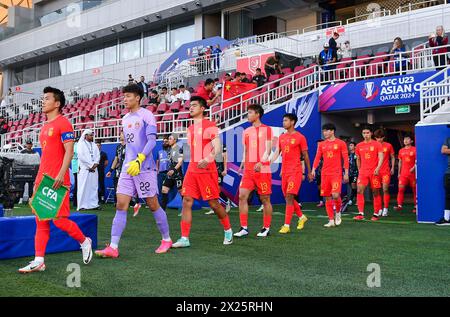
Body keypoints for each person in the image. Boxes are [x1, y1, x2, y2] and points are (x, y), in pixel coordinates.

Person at [18, 86, 92, 273]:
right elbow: (45, 158)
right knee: (41, 220)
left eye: (47, 98)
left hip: (59, 181)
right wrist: (37, 181)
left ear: (57, 103)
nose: (43, 101)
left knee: (59, 220)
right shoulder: (44, 127)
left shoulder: (63, 123)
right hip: (43, 180)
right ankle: (39, 260)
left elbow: (69, 151)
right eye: (43, 98)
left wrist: (60, 174)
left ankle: (84, 241)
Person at [95, 84, 172, 257]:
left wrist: (140, 159)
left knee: (153, 204)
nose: (125, 99)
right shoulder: (125, 118)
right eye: (124, 97)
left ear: (137, 97)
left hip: (144, 167)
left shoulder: (147, 115)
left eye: (128, 96)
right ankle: (113, 247)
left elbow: (152, 141)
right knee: (121, 205)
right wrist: (130, 163)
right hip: (128, 168)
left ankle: (166, 239)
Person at [171, 96, 233, 248]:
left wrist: (209, 157)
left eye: (194, 105)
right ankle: (184, 238)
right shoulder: (190, 128)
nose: (190, 108)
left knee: (213, 204)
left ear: (202, 108)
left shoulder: (210, 125)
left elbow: (217, 147)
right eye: (190, 105)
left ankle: (228, 230)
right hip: (192, 170)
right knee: (187, 201)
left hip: (207, 170)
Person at [235, 104, 273, 238]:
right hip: (249, 170)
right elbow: (246, 149)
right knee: (242, 196)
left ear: (257, 114)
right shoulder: (246, 131)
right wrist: (242, 163)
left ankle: (266, 228)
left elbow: (268, 149)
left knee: (265, 198)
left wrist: (261, 162)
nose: (248, 115)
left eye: (250, 112)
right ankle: (244, 227)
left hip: (263, 169)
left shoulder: (267, 129)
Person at [270, 113, 311, 233]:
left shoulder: (300, 137)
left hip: (296, 171)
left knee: (289, 196)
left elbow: (306, 155)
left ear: (292, 122)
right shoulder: (282, 137)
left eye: (285, 120)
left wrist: (308, 171)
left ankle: (286, 225)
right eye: (283, 120)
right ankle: (302, 217)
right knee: (287, 197)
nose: (283, 123)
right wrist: (268, 163)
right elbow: (278, 152)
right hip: (285, 171)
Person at [312, 124, 349, 228]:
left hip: (336, 173)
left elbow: (345, 158)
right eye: (323, 131)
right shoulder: (322, 144)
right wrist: (314, 169)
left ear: (332, 131)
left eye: (326, 131)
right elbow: (317, 157)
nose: (324, 133)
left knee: (336, 195)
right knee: (327, 198)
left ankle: (338, 212)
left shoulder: (341, 143)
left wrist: (346, 172)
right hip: (325, 174)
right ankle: (331, 220)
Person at [353, 127, 384, 221]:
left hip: (374, 172)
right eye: (363, 133)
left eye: (367, 132)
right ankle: (360, 214)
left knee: (375, 192)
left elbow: (381, 157)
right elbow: (357, 158)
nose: (365, 134)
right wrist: (359, 170)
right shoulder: (359, 145)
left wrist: (378, 168)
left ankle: (375, 214)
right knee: (359, 191)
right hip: (363, 172)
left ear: (371, 133)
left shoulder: (377, 144)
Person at [77, 129, 100, 211]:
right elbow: (81, 157)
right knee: (83, 187)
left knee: (93, 187)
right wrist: (90, 165)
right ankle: (82, 205)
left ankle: (93, 204)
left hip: (94, 169)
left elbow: (98, 155)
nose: (92, 136)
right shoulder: (80, 145)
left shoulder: (94, 145)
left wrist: (95, 164)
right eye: (90, 135)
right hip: (85, 169)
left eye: (92, 135)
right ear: (85, 135)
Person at [374, 129, 395, 217]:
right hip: (375, 172)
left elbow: (393, 157)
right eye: (377, 138)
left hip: (385, 171)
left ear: (384, 137)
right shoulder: (373, 146)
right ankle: (379, 208)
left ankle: (385, 208)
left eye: (381, 137)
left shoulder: (388, 145)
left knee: (385, 189)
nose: (379, 139)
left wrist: (393, 168)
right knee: (376, 191)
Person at [205, 143, 231, 215]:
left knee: (218, 189)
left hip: (219, 171)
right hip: (209, 170)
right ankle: (214, 207)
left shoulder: (222, 145)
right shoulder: (207, 145)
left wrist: (225, 169)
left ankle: (227, 201)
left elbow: (225, 157)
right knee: (210, 189)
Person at [394, 134, 417, 213]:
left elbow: (418, 161)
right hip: (403, 174)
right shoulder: (401, 150)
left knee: (415, 190)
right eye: (404, 139)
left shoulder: (415, 149)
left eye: (407, 139)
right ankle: (399, 205)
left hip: (413, 174)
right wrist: (399, 173)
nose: (405, 141)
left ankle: (415, 206)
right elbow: (400, 162)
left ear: (411, 141)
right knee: (400, 189)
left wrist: (413, 168)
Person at [160, 134, 184, 211]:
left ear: (175, 140)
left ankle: (185, 210)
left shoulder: (179, 149)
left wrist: (173, 170)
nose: (168, 140)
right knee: (164, 189)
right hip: (170, 174)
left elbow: (180, 162)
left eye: (170, 139)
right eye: (169, 139)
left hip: (177, 175)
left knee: (181, 192)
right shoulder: (170, 150)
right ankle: (163, 211)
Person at [106, 132, 126, 205]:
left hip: (127, 171)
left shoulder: (130, 146)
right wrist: (111, 170)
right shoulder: (118, 147)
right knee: (117, 187)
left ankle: (132, 202)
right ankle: (118, 202)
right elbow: (116, 159)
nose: (120, 135)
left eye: (121, 134)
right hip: (118, 171)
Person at [436, 137, 450, 225]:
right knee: (448, 196)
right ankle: (446, 219)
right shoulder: (448, 139)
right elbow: (443, 150)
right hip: (449, 172)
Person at [96, 140, 109, 204]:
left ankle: (102, 198)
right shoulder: (93, 153)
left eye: (99, 145)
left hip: (101, 171)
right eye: (97, 145)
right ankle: (96, 198)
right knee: (95, 185)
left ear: (101, 146)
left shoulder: (103, 154)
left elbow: (106, 162)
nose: (98, 146)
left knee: (101, 184)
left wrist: (102, 167)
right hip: (94, 171)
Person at [347, 142, 358, 206]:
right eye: (349, 145)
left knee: (354, 185)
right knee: (352, 187)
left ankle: (351, 200)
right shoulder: (349, 155)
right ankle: (356, 199)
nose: (350, 146)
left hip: (356, 172)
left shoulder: (356, 154)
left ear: (355, 147)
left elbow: (358, 163)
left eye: (351, 145)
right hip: (350, 173)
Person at [71, 138, 79, 208]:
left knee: (77, 185)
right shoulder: (76, 146)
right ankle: (75, 202)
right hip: (77, 168)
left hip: (76, 168)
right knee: (77, 185)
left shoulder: (73, 146)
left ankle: (75, 201)